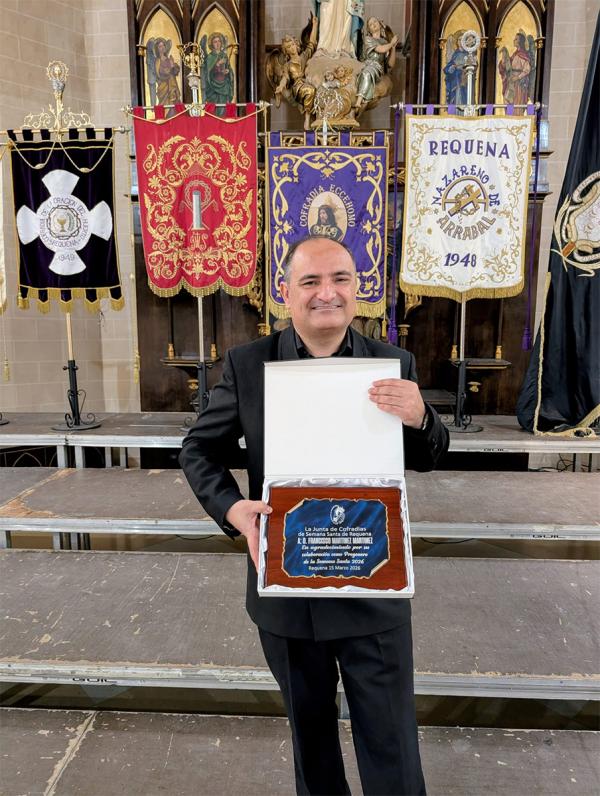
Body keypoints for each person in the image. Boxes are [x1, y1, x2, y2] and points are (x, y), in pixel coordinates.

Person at [180, 235, 449, 795]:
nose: (328, 293)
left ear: (357, 287)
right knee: (312, 743)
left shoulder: (393, 363)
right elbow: (198, 449)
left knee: (393, 744)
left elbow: (427, 456)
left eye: (340, 279)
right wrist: (233, 509)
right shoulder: (249, 365)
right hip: (288, 591)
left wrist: (422, 416)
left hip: (372, 584)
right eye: (311, 281)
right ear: (286, 292)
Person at [355, 17, 398, 110]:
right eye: (370, 24)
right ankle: (359, 101)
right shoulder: (368, 39)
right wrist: (391, 44)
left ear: (379, 24)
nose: (373, 24)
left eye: (375, 21)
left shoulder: (385, 42)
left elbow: (390, 64)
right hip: (368, 64)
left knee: (368, 73)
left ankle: (361, 101)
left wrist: (393, 47)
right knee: (366, 72)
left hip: (377, 68)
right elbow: (381, 49)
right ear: (369, 30)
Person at [202, 32, 234, 111]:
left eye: (219, 41)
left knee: (223, 108)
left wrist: (228, 71)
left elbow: (229, 69)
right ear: (212, 44)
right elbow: (208, 73)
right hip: (213, 87)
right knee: (214, 108)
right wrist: (217, 64)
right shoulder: (210, 57)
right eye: (215, 42)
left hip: (224, 85)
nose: (217, 43)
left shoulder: (224, 55)